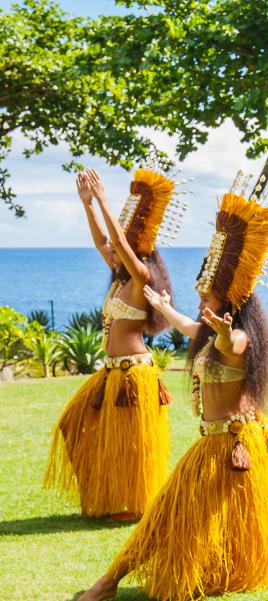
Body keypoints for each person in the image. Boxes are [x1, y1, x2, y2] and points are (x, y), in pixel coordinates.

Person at [78, 173, 268, 601]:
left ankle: (107, 583)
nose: (202, 303)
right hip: (218, 444)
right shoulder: (204, 328)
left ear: (229, 306)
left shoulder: (237, 339)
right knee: (182, 514)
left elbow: (229, 343)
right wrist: (163, 307)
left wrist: (224, 329)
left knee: (169, 512)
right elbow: (185, 324)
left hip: (233, 447)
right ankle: (113, 579)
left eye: (208, 298)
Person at [45, 167, 184, 519]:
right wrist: (87, 203)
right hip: (109, 372)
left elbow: (119, 242)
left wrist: (105, 198)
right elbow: (103, 243)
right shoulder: (119, 275)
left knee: (131, 444)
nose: (115, 250)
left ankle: (136, 506)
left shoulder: (142, 277)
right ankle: (100, 493)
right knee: (71, 425)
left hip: (133, 374)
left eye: (124, 246)